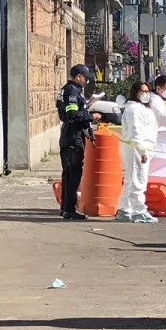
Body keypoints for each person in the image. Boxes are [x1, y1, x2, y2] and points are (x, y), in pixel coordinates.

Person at [56, 64, 101, 220]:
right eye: (84, 78)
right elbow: (72, 114)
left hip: (70, 135)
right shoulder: (72, 91)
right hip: (73, 136)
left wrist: (86, 107)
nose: (85, 81)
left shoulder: (69, 90)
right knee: (73, 173)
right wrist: (91, 116)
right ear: (78, 77)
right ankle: (69, 209)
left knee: (68, 173)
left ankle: (65, 207)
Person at [115, 82, 159, 224]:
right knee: (138, 180)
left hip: (140, 147)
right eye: (142, 91)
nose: (146, 94)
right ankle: (138, 211)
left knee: (131, 179)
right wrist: (142, 151)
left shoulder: (140, 108)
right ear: (135, 92)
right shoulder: (134, 109)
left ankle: (125, 209)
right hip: (135, 148)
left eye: (147, 91)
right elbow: (136, 131)